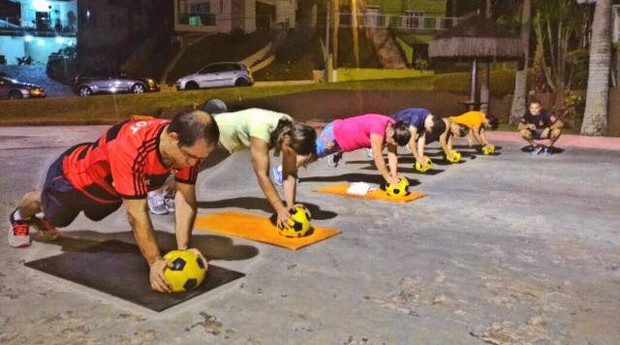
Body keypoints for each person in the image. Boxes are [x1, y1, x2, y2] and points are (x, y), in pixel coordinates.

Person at [8, 110, 220, 293]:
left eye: (201, 159)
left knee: (97, 214)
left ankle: (43, 212)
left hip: (109, 192)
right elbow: (136, 213)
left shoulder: (189, 148)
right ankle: (20, 216)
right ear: (173, 138)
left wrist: (184, 249)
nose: (194, 164)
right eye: (191, 157)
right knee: (55, 215)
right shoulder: (132, 146)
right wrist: (155, 262)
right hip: (74, 180)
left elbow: (185, 196)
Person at [149, 99, 317, 229]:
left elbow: (289, 173)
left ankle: (168, 191)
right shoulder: (262, 130)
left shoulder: (292, 130)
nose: (288, 156)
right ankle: (154, 192)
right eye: (289, 152)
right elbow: (262, 175)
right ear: (287, 139)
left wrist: (290, 206)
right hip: (212, 133)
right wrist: (280, 209)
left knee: (192, 171)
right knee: (182, 164)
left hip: (227, 145)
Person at [274, 113, 411, 187]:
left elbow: (392, 153)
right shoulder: (378, 130)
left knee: (314, 155)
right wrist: (388, 178)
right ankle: (281, 171)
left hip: (341, 137)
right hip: (335, 134)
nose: (391, 145)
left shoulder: (392, 126)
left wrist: (394, 175)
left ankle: (336, 153)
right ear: (392, 134)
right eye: (393, 142)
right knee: (311, 154)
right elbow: (378, 157)